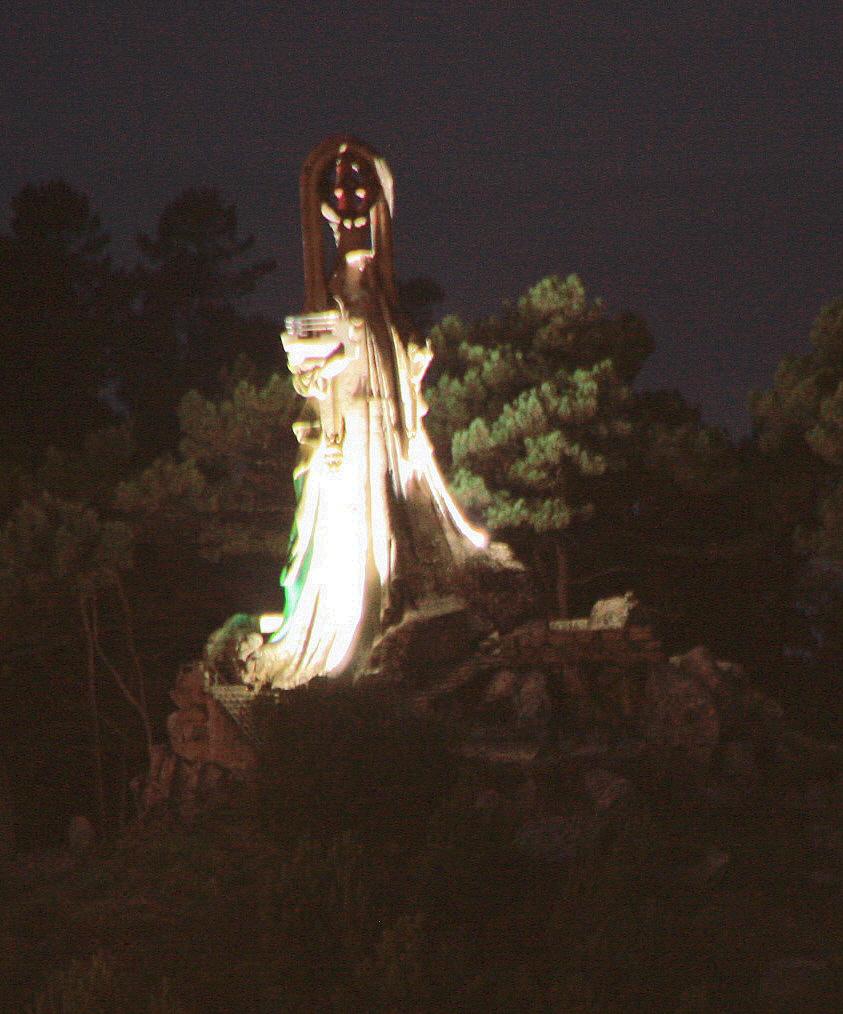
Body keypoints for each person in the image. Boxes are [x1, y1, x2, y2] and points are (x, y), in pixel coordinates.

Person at [248, 137, 487, 688]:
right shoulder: (332, 301)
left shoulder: (383, 304)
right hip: (349, 431)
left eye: (362, 193)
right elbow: (309, 367)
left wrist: (409, 354)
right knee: (350, 514)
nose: (352, 206)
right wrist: (321, 351)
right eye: (341, 195)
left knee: (395, 497)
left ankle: (401, 586)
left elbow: (404, 356)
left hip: (393, 430)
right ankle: (349, 619)